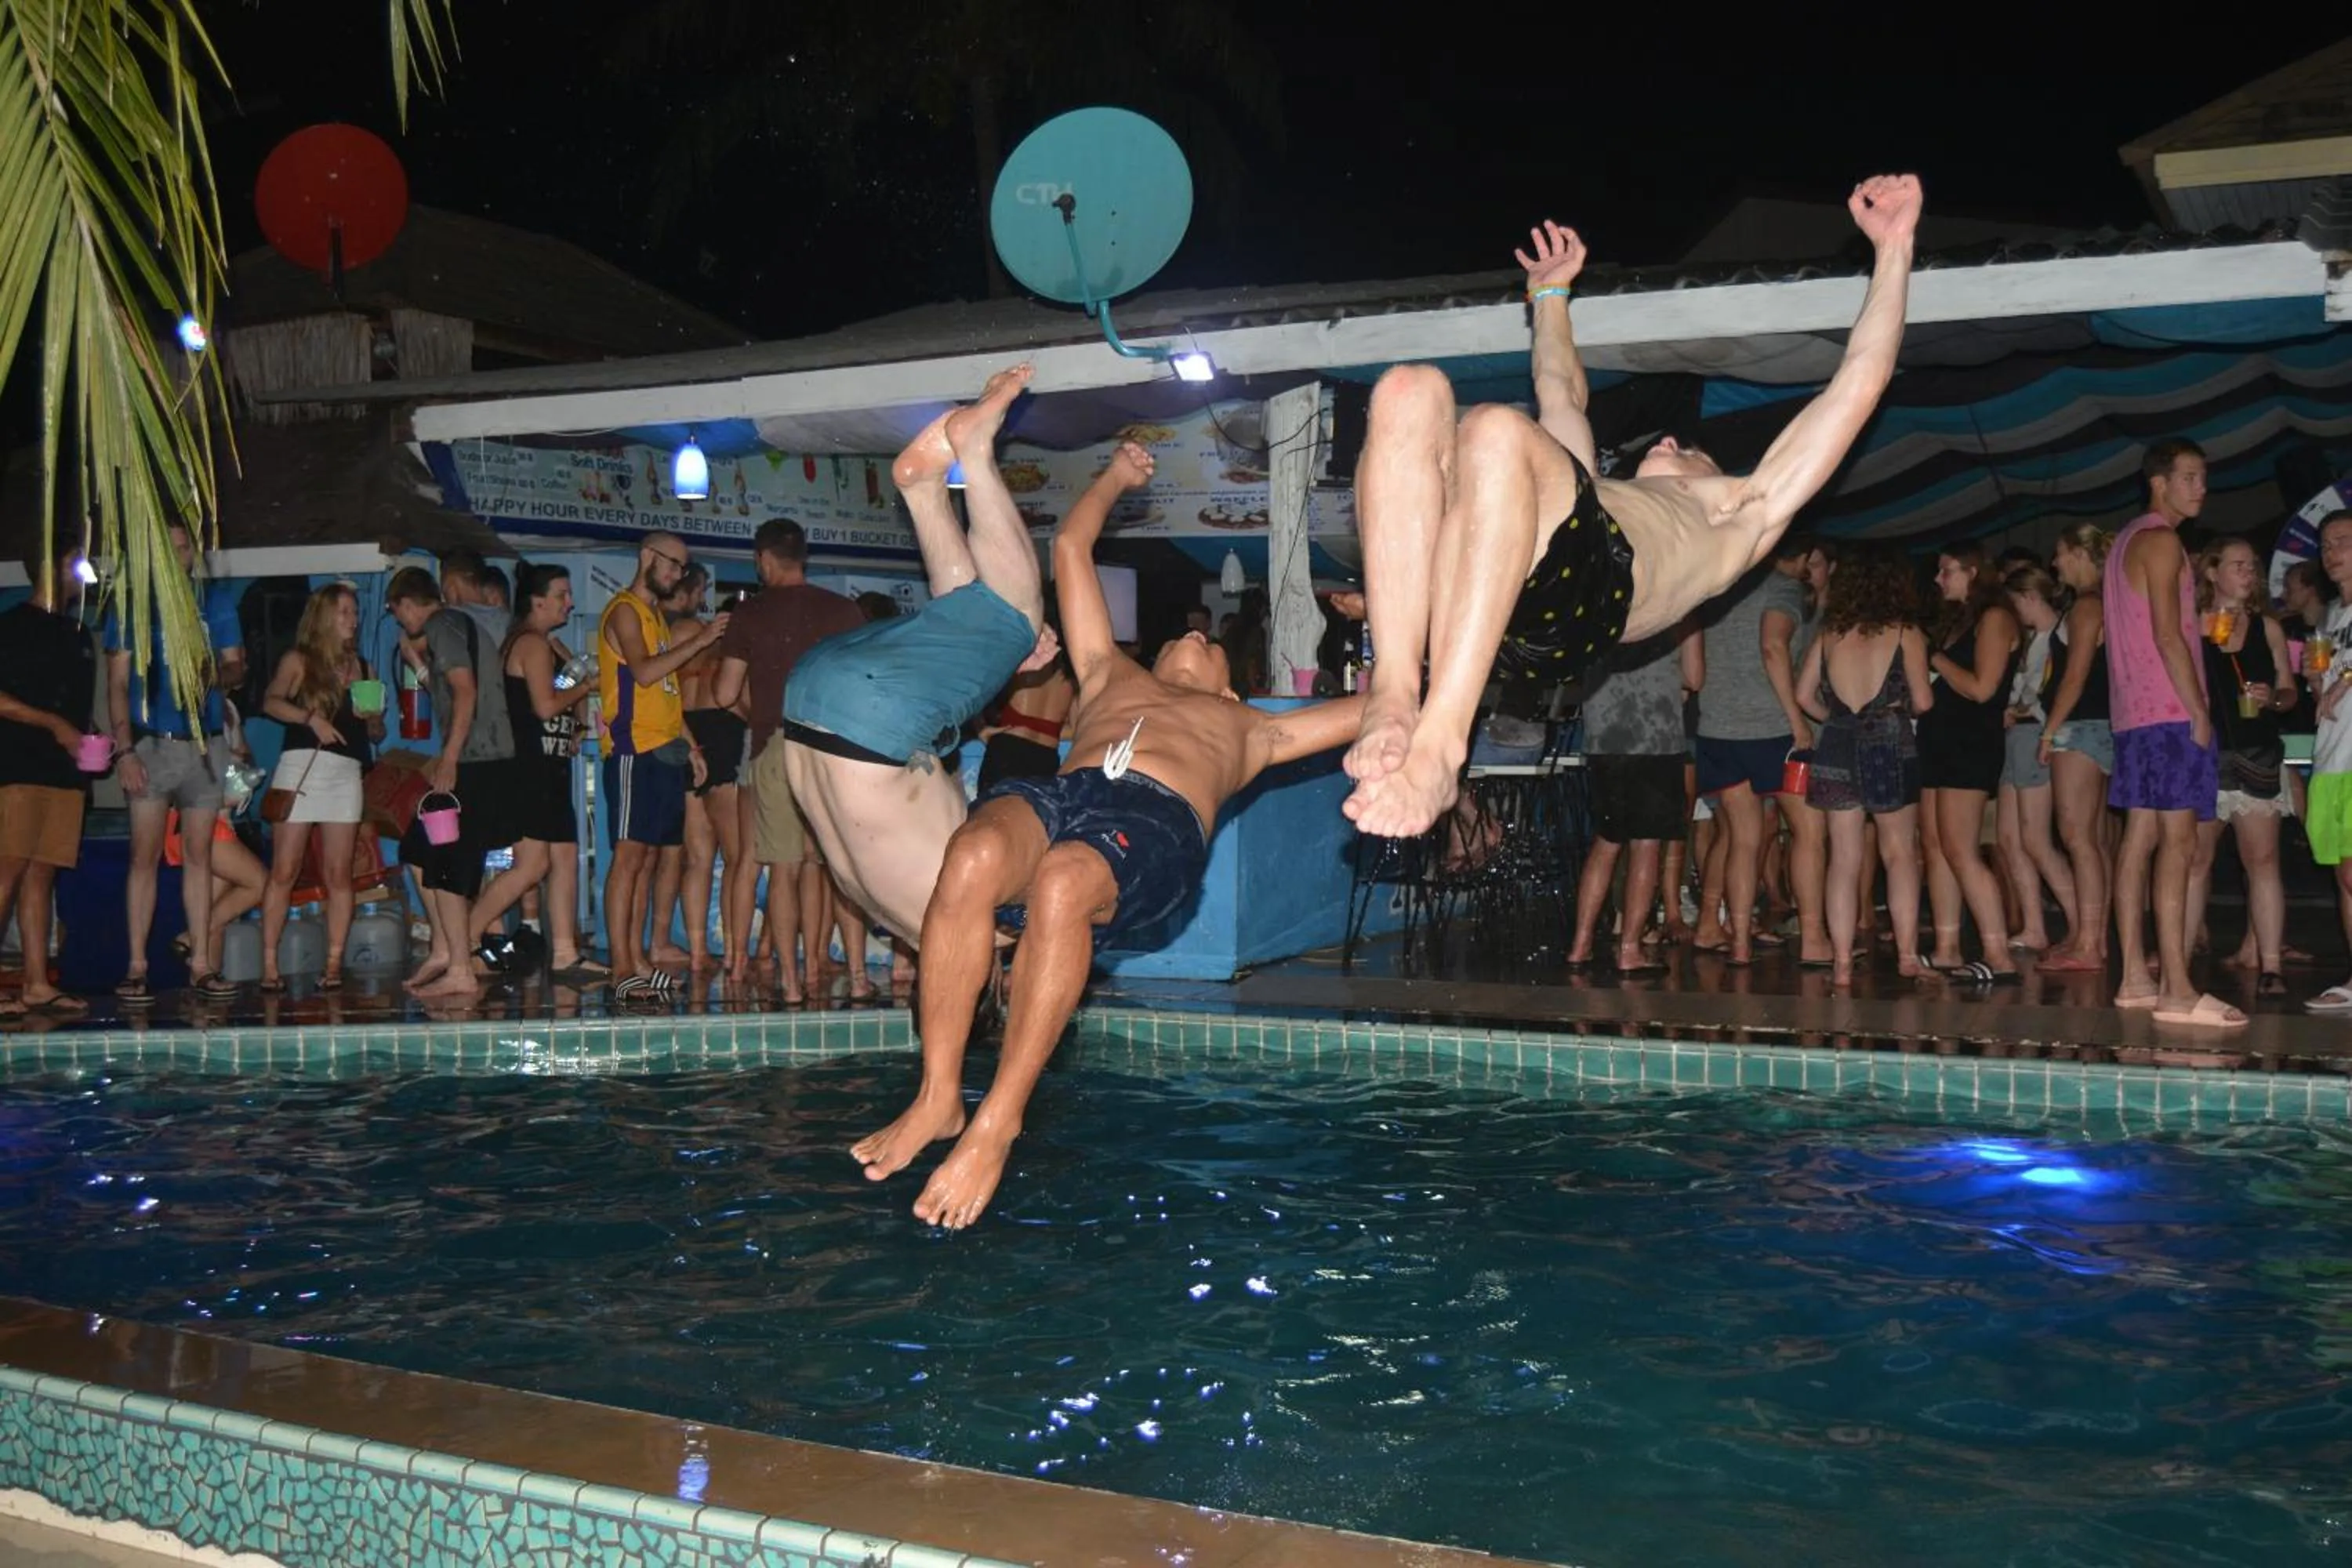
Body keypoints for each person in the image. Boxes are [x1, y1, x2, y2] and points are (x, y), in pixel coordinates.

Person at [855, 439, 1363, 1230]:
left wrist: (1382, 627)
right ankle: (940, 1095)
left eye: (1208, 639)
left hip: (1155, 827)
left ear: (1229, 679)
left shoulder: (1252, 727)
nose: (1191, 635)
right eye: (1179, 635)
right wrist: (1117, 479)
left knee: (1063, 879)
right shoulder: (1107, 671)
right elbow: (1069, 547)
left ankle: (1001, 1118)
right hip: (1068, 794)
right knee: (975, 851)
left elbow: (1393, 703)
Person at [1343, 175, 1922, 840]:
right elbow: (1558, 386)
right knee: (1407, 391)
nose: (1671, 440)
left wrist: (1895, 247)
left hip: (1589, 601)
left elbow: (1857, 385)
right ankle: (1392, 696)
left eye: (1689, 450)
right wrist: (1552, 295)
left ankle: (1444, 743)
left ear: (1709, 476)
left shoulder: (1745, 509)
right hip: (1489, 593)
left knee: (1496, 431)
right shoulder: (1579, 487)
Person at [780, 365, 1058, 949]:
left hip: (873, 718)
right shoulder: (895, 918)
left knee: (1018, 618)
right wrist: (997, 669)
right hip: (809, 700)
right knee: (977, 627)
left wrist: (1006, 652)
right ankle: (923, 488)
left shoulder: (990, 933)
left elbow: (1065, 890)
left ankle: (975, 451)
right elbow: (935, 779)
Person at [2107, 439, 2245, 1028]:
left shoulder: (2125, 541)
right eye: (2190, 477)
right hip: (2168, 712)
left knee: (2138, 841)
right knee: (2180, 845)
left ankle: (2136, 978)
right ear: (2158, 482)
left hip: (2134, 715)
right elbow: (2167, 635)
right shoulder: (2162, 541)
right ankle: (2177, 989)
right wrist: (2200, 711)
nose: (2201, 488)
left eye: (2204, 478)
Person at [713, 519, 866, 999]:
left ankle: (793, 982)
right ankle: (852, 977)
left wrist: (760, 711)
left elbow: (722, 694)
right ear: (804, 557)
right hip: (829, 747)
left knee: (783, 868)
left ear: (762, 559)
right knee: (831, 867)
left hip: (775, 742)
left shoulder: (751, 615)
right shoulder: (844, 611)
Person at [105, 520, 246, 1004]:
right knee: (143, 856)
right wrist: (123, 750)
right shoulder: (133, 607)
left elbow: (237, 665)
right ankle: (137, 967)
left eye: (185, 548)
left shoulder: (216, 600)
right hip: (151, 743)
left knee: (200, 856)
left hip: (205, 745)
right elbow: (118, 683)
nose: (179, 556)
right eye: (169, 550)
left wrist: (216, 674)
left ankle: (202, 964)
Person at [598, 532, 728, 1000]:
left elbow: (667, 693)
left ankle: (636, 960)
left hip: (663, 749)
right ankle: (619, 969)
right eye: (672, 565)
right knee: (629, 858)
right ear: (647, 557)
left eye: (682, 568)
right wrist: (702, 640)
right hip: (634, 750)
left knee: (650, 860)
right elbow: (646, 672)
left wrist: (691, 746)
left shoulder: (654, 615)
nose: (677, 575)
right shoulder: (626, 610)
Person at [1795, 544, 1931, 988]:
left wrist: (1835, 718)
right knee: (1899, 854)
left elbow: (1803, 697)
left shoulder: (1830, 633)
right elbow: (1924, 701)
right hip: (1888, 741)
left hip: (1837, 743)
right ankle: (1908, 956)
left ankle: (1840, 964)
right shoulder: (1905, 631)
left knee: (1844, 860)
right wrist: (1897, 707)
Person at [384, 567, 515, 1000]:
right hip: (481, 758)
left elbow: (464, 690)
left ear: (407, 602)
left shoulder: (443, 624)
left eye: (397, 611)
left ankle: (461, 966)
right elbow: (448, 687)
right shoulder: (458, 626)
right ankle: (445, 948)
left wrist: (450, 758)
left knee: (450, 863)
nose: (400, 621)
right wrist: (418, 664)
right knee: (419, 851)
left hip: (477, 761)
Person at [468, 564, 601, 980]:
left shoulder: (545, 646)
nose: (570, 603)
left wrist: (575, 684)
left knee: (564, 858)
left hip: (551, 764)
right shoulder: (529, 644)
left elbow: (565, 711)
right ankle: (463, 942)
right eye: (562, 595)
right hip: (529, 769)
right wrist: (586, 685)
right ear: (537, 601)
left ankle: (564, 953)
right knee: (530, 865)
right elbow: (545, 706)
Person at [1692, 546, 1813, 966]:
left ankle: (1740, 941)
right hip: (1768, 728)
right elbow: (1773, 648)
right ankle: (1815, 937)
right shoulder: (1783, 588)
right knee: (1810, 833)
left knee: (1743, 839)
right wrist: (1797, 721)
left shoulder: (1716, 590)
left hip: (1717, 728)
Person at [256, 583, 380, 993]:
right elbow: (271, 702)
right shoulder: (300, 659)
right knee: (285, 870)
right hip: (302, 768)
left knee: (338, 873)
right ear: (324, 616)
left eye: (355, 611)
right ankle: (270, 965)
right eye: (344, 611)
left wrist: (373, 717)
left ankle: (332, 965)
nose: (353, 618)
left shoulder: (363, 666)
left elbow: (373, 731)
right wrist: (310, 718)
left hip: (346, 772)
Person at [2186, 537, 2293, 994]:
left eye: (2253, 565)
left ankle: (2271, 966)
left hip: (2255, 751)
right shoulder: (2190, 625)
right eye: (2238, 565)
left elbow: (2289, 692)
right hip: (2207, 753)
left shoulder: (2268, 627)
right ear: (2212, 573)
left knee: (2262, 859)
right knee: (2194, 860)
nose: (2249, 572)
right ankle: (2179, 961)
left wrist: (2275, 698)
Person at [1564, 623, 1702, 973]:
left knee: (1607, 840)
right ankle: (1629, 949)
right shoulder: (1678, 602)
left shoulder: (1602, 600)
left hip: (1604, 734)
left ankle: (1580, 946)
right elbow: (1695, 676)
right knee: (1646, 845)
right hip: (1654, 735)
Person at [1915, 543, 2020, 982]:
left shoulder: (1996, 618)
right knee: (1936, 846)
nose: (1938, 580)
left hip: (1970, 742)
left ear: (1973, 572)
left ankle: (1999, 956)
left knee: (1960, 848)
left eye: (1946, 570)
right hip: (1939, 740)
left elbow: (1982, 689)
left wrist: (1932, 655)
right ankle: (1947, 948)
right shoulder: (1959, 621)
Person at [0, 554, 100, 1016]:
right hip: (16, 766)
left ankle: (37, 983)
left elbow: (75, 706)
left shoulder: (77, 633)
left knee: (43, 873)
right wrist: (53, 723)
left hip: (64, 772)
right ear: (52, 568)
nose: (85, 577)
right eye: (77, 567)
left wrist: (94, 737)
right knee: (7, 871)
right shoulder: (12, 626)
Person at [2034, 525, 2115, 975]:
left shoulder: (2087, 606)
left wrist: (2049, 731)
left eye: (2061, 553)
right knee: (2094, 838)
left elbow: (2076, 675)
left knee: (2077, 837)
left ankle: (2088, 943)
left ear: (2083, 554)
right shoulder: (2103, 603)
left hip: (2081, 727)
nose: (2054, 563)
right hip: (2099, 725)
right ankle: (2092, 935)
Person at [1993, 566, 2078, 956]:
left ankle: (2081, 925)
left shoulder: (2061, 634)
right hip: (2015, 736)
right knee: (2010, 838)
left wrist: (2022, 712)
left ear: (2029, 597)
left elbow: (2055, 693)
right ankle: (2034, 927)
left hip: (2035, 735)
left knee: (2036, 839)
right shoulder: (2031, 639)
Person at [2300, 511, 2352, 1014]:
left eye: (2343, 542)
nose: (2331, 552)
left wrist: (2346, 676)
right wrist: (2316, 679)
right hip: (2332, 756)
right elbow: (2327, 683)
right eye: (2325, 545)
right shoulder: (2332, 616)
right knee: (2342, 875)